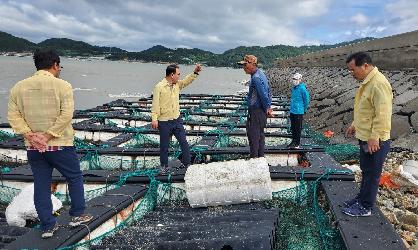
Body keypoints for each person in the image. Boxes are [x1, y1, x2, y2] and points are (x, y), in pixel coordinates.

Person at [8, 50, 92, 239]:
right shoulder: (63, 86)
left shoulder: (18, 87)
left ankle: (48, 226)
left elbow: (14, 117)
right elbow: (66, 115)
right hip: (60, 145)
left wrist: (31, 136)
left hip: (34, 148)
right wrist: (47, 136)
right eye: (59, 66)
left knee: (41, 185)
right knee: (75, 177)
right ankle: (77, 215)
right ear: (55, 64)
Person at [343, 51, 393, 217]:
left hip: (375, 140)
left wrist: (375, 137)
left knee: (372, 174)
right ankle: (361, 198)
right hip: (365, 137)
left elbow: (383, 114)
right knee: (366, 170)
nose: (351, 74)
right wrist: (354, 124)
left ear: (365, 65)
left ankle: (365, 207)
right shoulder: (367, 82)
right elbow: (366, 110)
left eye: (353, 70)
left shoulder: (378, 83)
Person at [151, 63, 202, 171]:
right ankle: (164, 167)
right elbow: (155, 104)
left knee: (184, 142)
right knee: (164, 146)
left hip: (177, 120)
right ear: (172, 75)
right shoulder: (159, 87)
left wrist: (195, 72)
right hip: (164, 122)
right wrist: (154, 119)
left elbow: (187, 81)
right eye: (178, 74)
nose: (179, 76)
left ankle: (187, 164)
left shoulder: (177, 84)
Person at [237, 55, 273, 158]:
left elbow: (263, 95)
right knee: (260, 136)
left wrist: (268, 108)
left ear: (252, 64)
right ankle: (260, 157)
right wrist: (268, 107)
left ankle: (254, 159)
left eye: (245, 64)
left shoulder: (256, 78)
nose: (243, 67)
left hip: (256, 112)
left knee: (253, 137)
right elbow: (269, 92)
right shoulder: (260, 74)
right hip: (260, 112)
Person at [288, 72, 310, 149]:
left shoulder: (302, 89)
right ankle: (293, 141)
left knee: (298, 128)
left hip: (299, 111)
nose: (294, 80)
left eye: (296, 79)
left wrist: (304, 109)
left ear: (300, 80)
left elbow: (306, 100)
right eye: (293, 79)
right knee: (293, 127)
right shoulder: (294, 88)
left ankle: (297, 143)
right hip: (292, 111)